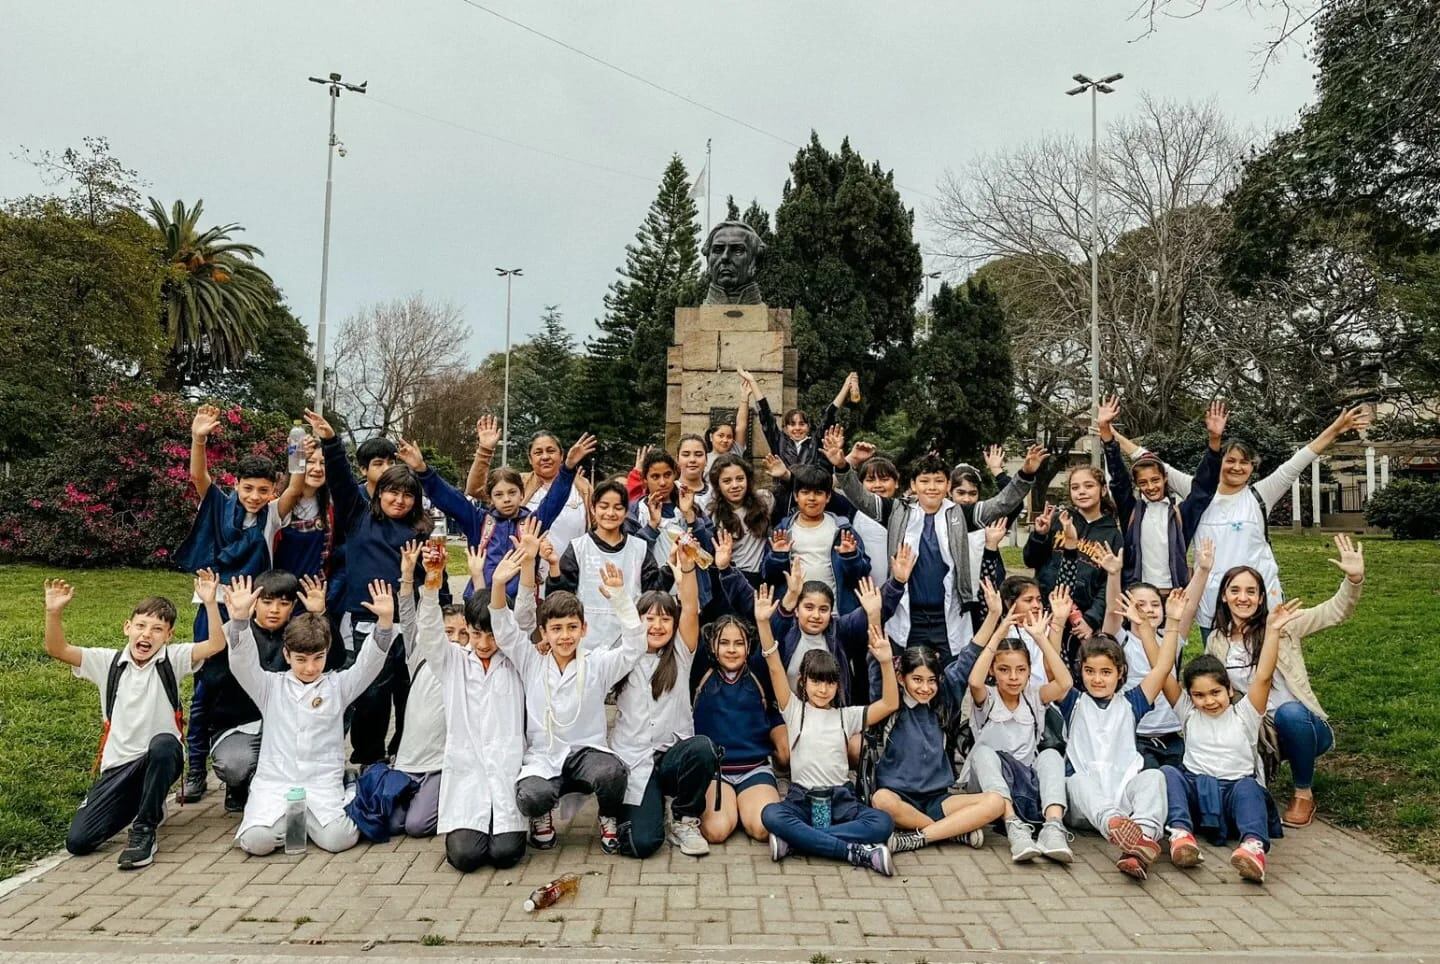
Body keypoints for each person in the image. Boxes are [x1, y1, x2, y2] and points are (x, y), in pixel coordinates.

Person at [1120, 404, 1373, 634]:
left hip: (1261, 604)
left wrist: (1337, 428)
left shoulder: (1261, 494)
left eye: (1244, 462)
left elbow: (1301, 459)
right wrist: (1109, 433)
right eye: (1230, 460)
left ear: (1253, 466)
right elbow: (1148, 460)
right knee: (1221, 675)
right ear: (1219, 463)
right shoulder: (1197, 492)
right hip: (1213, 606)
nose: (1237, 467)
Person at [48, 572, 225, 870]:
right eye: (141, 626)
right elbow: (58, 650)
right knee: (78, 842)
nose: (147, 635)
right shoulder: (106, 662)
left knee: (165, 743)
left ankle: (144, 829)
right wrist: (53, 613)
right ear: (127, 628)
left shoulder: (173, 658)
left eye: (157, 629)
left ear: (168, 636)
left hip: (160, 759)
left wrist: (210, 603)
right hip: (118, 768)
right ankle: (147, 802)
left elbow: (216, 645)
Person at [490, 524, 645, 855]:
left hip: (587, 754)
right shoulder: (532, 660)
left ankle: (608, 816)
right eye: (556, 629)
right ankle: (543, 817)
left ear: (584, 629)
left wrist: (621, 599)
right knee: (531, 795)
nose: (564, 636)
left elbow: (634, 647)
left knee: (612, 773)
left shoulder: (598, 663)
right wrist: (499, 584)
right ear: (543, 632)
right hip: (544, 757)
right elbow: (503, 631)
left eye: (572, 628)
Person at [226, 574, 395, 856]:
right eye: (301, 659)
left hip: (321, 783)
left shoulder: (338, 685)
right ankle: (293, 821)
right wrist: (240, 620)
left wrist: (386, 622)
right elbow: (241, 661)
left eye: (318, 658)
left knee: (339, 840)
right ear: (287, 654)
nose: (309, 668)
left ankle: (347, 786)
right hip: (276, 783)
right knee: (257, 843)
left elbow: (369, 664)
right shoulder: (269, 686)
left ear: (326, 654)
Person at [1205, 534, 1366, 828]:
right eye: (1235, 590)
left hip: (1304, 726)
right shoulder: (1217, 640)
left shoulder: (1283, 624)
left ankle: (1303, 793)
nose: (1243, 597)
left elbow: (1333, 612)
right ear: (1224, 596)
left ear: (1261, 597)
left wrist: (1353, 581)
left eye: (1251, 591)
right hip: (1262, 732)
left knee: (1290, 714)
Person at [837, 437, 1044, 659]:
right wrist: (841, 465)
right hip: (908, 614)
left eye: (938, 481)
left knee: (949, 680)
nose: (932, 487)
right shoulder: (897, 511)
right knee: (909, 680)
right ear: (914, 485)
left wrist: (1026, 474)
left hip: (948, 617)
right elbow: (860, 497)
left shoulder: (961, 513)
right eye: (925, 481)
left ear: (947, 486)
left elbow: (1002, 503)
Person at [305, 408, 431, 768]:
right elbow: (342, 479)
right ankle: (369, 759)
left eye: (407, 495)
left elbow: (429, 580)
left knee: (410, 693)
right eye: (392, 492)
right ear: (379, 494)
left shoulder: (418, 531)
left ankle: (407, 754)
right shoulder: (359, 516)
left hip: (409, 625)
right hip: (366, 622)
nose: (399, 500)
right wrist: (330, 441)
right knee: (372, 694)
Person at [174, 403, 283, 802]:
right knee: (208, 685)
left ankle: (244, 775)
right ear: (236, 484)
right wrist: (198, 438)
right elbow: (197, 475)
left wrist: (302, 453)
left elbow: (301, 487)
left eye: (263, 490)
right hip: (213, 607)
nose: (255, 496)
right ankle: (197, 769)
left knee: (252, 680)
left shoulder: (272, 515)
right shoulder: (218, 504)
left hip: (251, 609)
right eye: (248, 487)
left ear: (273, 491)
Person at [407, 540, 528, 871]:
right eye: (477, 635)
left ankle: (503, 827)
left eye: (492, 636)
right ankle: (472, 829)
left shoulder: (517, 661)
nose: (486, 644)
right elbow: (430, 633)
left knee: (505, 854)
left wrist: (522, 570)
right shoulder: (453, 662)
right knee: (465, 857)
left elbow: (524, 618)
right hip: (468, 774)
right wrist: (432, 583)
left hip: (506, 771)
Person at [1161, 599, 1300, 884]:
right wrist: (1171, 624)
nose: (1209, 701)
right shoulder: (1187, 712)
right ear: (1190, 696)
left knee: (1250, 787)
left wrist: (1272, 631)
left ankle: (1252, 847)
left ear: (1229, 690)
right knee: (1168, 774)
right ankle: (1181, 835)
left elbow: (1262, 678)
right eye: (1199, 695)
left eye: (1215, 692)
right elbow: (1162, 670)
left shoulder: (1245, 715)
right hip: (1197, 792)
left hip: (1235, 794)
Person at [759, 597, 900, 876]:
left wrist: (885, 661)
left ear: (837, 685)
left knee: (883, 822)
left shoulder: (845, 716)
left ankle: (801, 841)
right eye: (816, 681)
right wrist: (764, 623)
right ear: (803, 682)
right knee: (770, 815)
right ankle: (853, 852)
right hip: (801, 800)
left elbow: (889, 704)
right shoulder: (793, 710)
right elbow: (774, 665)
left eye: (829, 682)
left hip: (840, 801)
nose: (822, 690)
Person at [1057, 591, 1183, 881]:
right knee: (1075, 780)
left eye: (1105, 672)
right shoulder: (1073, 701)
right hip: (1087, 811)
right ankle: (1118, 827)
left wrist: (1166, 622)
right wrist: (1058, 623)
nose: (1097, 679)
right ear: (1081, 672)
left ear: (1120, 673)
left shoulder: (1132, 702)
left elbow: (1163, 667)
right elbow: (1054, 670)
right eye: (1089, 671)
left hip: (1124, 800)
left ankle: (1137, 847)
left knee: (1155, 777)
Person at [612, 542, 719, 858]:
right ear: (636, 621)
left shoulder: (681, 656)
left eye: (664, 620)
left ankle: (685, 816)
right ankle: (648, 805)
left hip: (672, 756)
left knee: (702, 748)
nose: (657, 626)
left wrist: (687, 568)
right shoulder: (621, 657)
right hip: (634, 759)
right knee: (643, 844)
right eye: (649, 618)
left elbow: (689, 606)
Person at [202, 571, 342, 815]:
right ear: (254, 602)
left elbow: (336, 660)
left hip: (288, 723)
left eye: (284, 603)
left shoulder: (298, 635)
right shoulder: (231, 632)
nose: (274, 610)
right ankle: (239, 784)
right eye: (267, 602)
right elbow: (208, 685)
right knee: (235, 764)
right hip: (240, 725)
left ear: (294, 606)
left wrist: (321, 614)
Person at [396, 432, 594, 600]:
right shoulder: (479, 521)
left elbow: (554, 500)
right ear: (490, 498)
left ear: (522, 494)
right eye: (499, 495)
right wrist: (422, 470)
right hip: (480, 602)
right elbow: (449, 498)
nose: (506, 499)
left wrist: (567, 468)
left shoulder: (532, 523)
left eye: (512, 493)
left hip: (520, 605)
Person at [962, 582, 1075, 863]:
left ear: (1028, 672)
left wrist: (1041, 639)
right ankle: (1014, 827)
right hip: (987, 786)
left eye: (1020, 670)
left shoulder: (1034, 696)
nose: (1013, 677)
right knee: (986, 754)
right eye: (1004, 670)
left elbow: (1065, 682)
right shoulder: (986, 697)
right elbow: (974, 680)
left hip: (1023, 782)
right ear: (993, 671)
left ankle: (1053, 827)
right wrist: (1000, 629)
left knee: (1050, 754)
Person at [872, 646, 1008, 855]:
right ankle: (953, 831)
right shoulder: (891, 705)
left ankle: (919, 837)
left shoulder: (943, 703)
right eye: (917, 679)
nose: (925, 688)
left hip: (938, 800)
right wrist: (882, 656)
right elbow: (879, 667)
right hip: (899, 798)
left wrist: (995, 616)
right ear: (901, 679)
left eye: (931, 680)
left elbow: (969, 656)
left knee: (997, 802)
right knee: (881, 800)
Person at [1093, 541, 1213, 770]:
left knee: (1177, 780)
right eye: (1140, 604)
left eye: (1155, 604)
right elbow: (1111, 609)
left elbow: (1189, 607)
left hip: (1171, 733)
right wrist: (1114, 574)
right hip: (1134, 733)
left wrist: (1203, 570)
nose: (1148, 609)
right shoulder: (1120, 639)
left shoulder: (1170, 638)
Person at [1099, 396, 1224, 593]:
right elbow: (1119, 482)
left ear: (1165, 478)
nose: (1150, 487)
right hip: (1138, 594)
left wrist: (1214, 441)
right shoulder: (1132, 512)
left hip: (1173, 594)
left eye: (1155, 480)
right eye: (1143, 483)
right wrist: (1106, 435)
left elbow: (1203, 488)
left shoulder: (1180, 514)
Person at [692, 615, 788, 844]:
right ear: (713, 646)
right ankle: (726, 809)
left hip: (753, 768)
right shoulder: (700, 670)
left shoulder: (757, 670)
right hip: (716, 771)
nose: (732, 650)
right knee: (716, 832)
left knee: (763, 829)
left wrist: (772, 616)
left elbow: (773, 644)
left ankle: (753, 802)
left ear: (748, 647)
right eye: (724, 643)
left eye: (739, 643)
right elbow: (688, 617)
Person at [1023, 465, 1124, 663]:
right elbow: (1030, 560)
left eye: (1089, 486)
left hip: (1080, 619)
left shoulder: (1112, 535)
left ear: (1102, 490)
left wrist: (1091, 619)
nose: (1082, 492)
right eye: (1075, 487)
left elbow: (1108, 585)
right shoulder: (1059, 521)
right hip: (1045, 610)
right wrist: (1039, 535)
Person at [545, 480, 662, 650]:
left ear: (626, 511)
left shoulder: (639, 548)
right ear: (593, 508)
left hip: (628, 645)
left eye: (618, 507)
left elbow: (653, 591)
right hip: (586, 645)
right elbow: (560, 597)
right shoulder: (578, 548)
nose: (610, 513)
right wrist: (554, 567)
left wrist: (674, 569)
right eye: (604, 506)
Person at [463, 417, 594, 560]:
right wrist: (485, 450)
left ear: (562, 455)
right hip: (527, 573)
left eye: (550, 451)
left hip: (572, 572)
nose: (545, 457)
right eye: (538, 452)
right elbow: (475, 489)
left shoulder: (582, 486)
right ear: (530, 459)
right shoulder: (518, 484)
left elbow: (598, 525)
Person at [764, 463, 870, 618]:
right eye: (805, 492)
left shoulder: (842, 530)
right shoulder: (783, 530)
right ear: (795, 496)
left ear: (828, 497)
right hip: (794, 615)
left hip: (835, 614)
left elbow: (862, 574)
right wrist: (777, 556)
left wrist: (850, 557)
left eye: (818, 493)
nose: (812, 498)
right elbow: (768, 575)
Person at [739, 367, 858, 470]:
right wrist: (752, 382)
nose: (797, 428)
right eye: (792, 424)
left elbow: (829, 415)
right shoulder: (778, 441)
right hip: (785, 495)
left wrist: (846, 387)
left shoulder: (816, 442)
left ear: (808, 426)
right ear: (785, 428)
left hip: (811, 493)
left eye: (802, 424)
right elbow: (766, 415)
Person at [707, 453, 774, 587]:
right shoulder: (713, 515)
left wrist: (784, 476)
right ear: (717, 485)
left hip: (760, 578)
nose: (735, 485)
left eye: (740, 479)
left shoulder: (765, 500)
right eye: (727, 481)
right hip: (731, 577)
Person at [274, 435, 332, 581]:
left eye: (323, 463)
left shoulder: (330, 510)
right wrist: (296, 455)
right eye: (310, 462)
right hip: (281, 593)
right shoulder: (280, 506)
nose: (318, 469)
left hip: (315, 594)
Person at [706, 385, 750, 471]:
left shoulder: (735, 452)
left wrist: (745, 398)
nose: (725, 440)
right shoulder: (704, 459)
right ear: (711, 437)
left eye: (729, 437)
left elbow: (741, 426)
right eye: (721, 435)